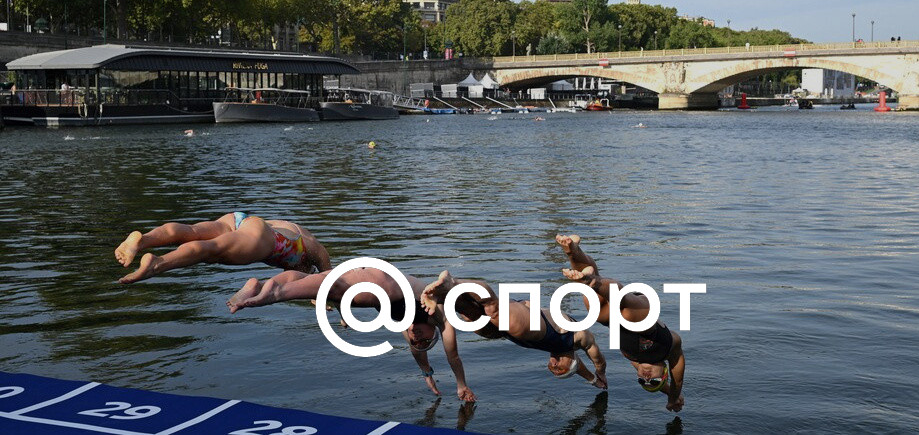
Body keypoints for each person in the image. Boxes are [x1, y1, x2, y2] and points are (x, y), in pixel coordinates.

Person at [227, 267, 476, 401]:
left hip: (372, 275)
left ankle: (260, 285)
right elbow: (453, 356)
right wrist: (461, 384)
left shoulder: (410, 329)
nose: (415, 335)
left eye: (415, 338)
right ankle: (272, 294)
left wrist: (427, 374)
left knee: (314, 280)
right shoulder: (440, 316)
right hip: (382, 284)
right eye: (422, 338)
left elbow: (418, 352)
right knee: (334, 289)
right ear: (434, 333)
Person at [556, 234, 686, 412]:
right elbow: (677, 380)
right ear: (664, 373)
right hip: (642, 313)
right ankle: (592, 280)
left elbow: (649, 377)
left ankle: (573, 250)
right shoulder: (670, 349)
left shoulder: (633, 359)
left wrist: (660, 389)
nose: (646, 377)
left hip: (611, 320)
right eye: (653, 380)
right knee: (624, 306)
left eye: (642, 381)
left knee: (591, 299)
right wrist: (673, 397)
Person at [420, 270, 608, 389]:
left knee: (472, 317)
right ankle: (454, 282)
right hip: (538, 325)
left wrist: (593, 380)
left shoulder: (567, 354)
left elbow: (576, 368)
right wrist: (601, 372)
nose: (552, 361)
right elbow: (596, 357)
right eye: (558, 365)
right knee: (493, 308)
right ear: (572, 360)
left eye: (551, 366)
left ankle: (444, 295)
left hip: (514, 332)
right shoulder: (579, 336)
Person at [114, 212, 331, 284]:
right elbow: (328, 275)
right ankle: (156, 264)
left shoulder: (298, 234)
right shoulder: (309, 250)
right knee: (210, 250)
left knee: (192, 231)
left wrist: (315, 297)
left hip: (240, 220)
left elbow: (298, 282)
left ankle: (142, 240)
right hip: (265, 239)